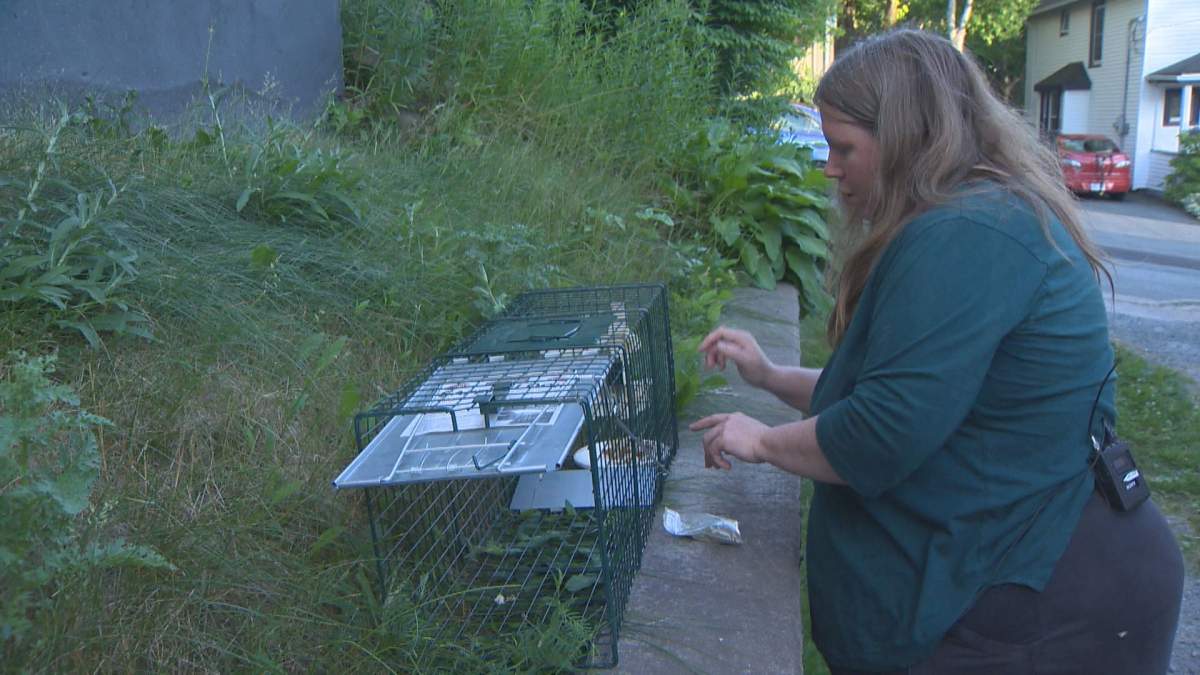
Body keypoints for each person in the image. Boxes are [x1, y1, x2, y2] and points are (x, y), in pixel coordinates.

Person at [690, 29, 1184, 674]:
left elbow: (883, 431)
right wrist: (772, 376)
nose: (829, 167)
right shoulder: (969, 216)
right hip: (1017, 582)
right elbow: (920, 395)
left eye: (844, 148)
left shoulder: (969, 232)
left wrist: (762, 442)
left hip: (1040, 602)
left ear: (903, 140)